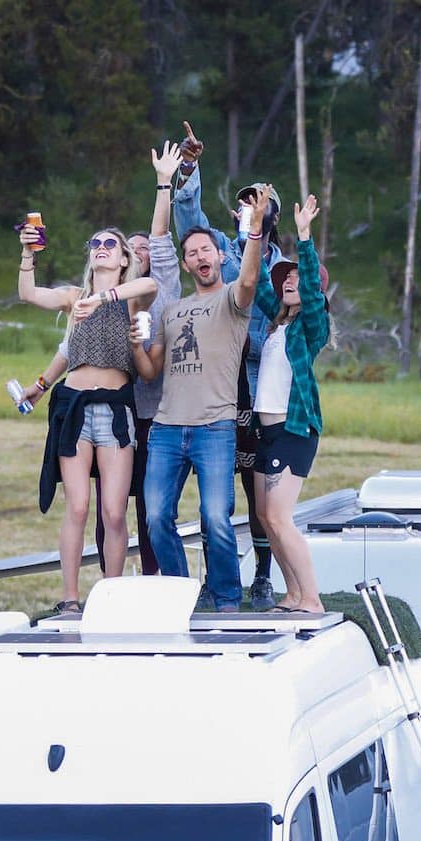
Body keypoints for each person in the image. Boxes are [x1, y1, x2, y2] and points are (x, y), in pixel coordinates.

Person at [140, 139, 268, 611]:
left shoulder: (234, 300)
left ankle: (228, 600)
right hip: (168, 430)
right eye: (190, 251)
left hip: (215, 426)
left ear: (219, 256)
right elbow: (152, 368)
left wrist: (252, 231)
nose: (198, 256)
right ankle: (184, 597)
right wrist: (136, 340)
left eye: (205, 249)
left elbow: (253, 279)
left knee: (216, 517)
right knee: (155, 518)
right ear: (188, 262)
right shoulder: (172, 309)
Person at [15, 222, 160, 612]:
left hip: (115, 408)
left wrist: (106, 297)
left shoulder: (130, 297)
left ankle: (110, 596)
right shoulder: (75, 298)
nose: (100, 247)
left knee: (113, 511)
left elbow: (149, 287)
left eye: (109, 243)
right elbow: (29, 294)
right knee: (77, 507)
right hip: (74, 407)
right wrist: (28, 254)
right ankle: (70, 598)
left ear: (124, 257)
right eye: (94, 243)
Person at [170, 129, 285, 609]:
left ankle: (261, 574)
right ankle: (220, 578)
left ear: (270, 216)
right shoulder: (218, 246)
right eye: (243, 205)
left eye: (256, 205)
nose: (246, 211)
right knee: (216, 492)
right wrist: (189, 170)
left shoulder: (280, 266)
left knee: (259, 490)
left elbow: (267, 333)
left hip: (255, 388)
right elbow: (188, 224)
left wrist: (247, 268)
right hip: (213, 387)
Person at [251, 192, 329, 613]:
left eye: (297, 277)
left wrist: (303, 238)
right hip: (267, 432)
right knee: (266, 519)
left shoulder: (311, 329)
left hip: (293, 430)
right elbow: (262, 281)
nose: (290, 281)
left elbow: (313, 295)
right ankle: (293, 593)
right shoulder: (277, 323)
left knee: (280, 517)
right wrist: (258, 227)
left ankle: (311, 598)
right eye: (288, 278)